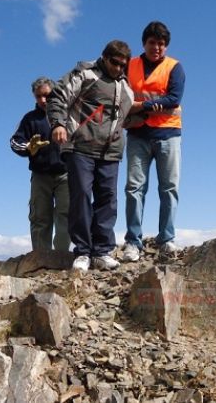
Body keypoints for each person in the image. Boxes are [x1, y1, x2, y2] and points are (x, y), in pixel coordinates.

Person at [47, 40, 134, 272]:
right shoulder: (85, 74)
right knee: (81, 197)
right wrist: (58, 123)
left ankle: (102, 251)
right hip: (80, 147)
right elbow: (57, 96)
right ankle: (83, 252)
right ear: (104, 57)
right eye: (114, 63)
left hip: (111, 152)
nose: (118, 68)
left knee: (108, 200)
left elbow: (126, 116)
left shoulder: (126, 87)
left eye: (123, 65)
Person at [122, 21, 186, 262]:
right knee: (134, 188)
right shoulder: (131, 65)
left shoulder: (175, 67)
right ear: (144, 43)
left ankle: (166, 239)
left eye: (161, 44)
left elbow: (173, 98)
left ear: (166, 46)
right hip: (138, 134)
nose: (157, 47)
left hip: (168, 134)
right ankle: (133, 241)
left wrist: (142, 105)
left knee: (169, 188)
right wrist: (151, 104)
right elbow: (121, 94)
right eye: (152, 43)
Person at [10, 77, 70, 253]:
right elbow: (15, 142)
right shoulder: (30, 119)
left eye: (46, 95)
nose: (43, 100)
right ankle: (41, 258)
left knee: (65, 216)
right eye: (38, 96)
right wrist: (29, 147)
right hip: (40, 175)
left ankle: (61, 257)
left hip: (66, 174)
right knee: (39, 217)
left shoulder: (67, 114)